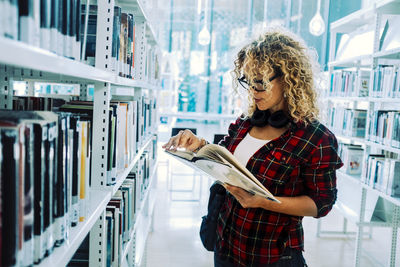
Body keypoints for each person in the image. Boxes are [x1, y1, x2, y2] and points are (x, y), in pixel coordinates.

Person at [163, 28, 343, 267]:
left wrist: (264, 202)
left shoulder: (316, 139)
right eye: (248, 81)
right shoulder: (245, 123)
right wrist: (199, 145)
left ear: (288, 79)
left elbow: (322, 203)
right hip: (226, 246)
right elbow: (225, 160)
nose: (252, 91)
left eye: (259, 82)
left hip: (272, 256)